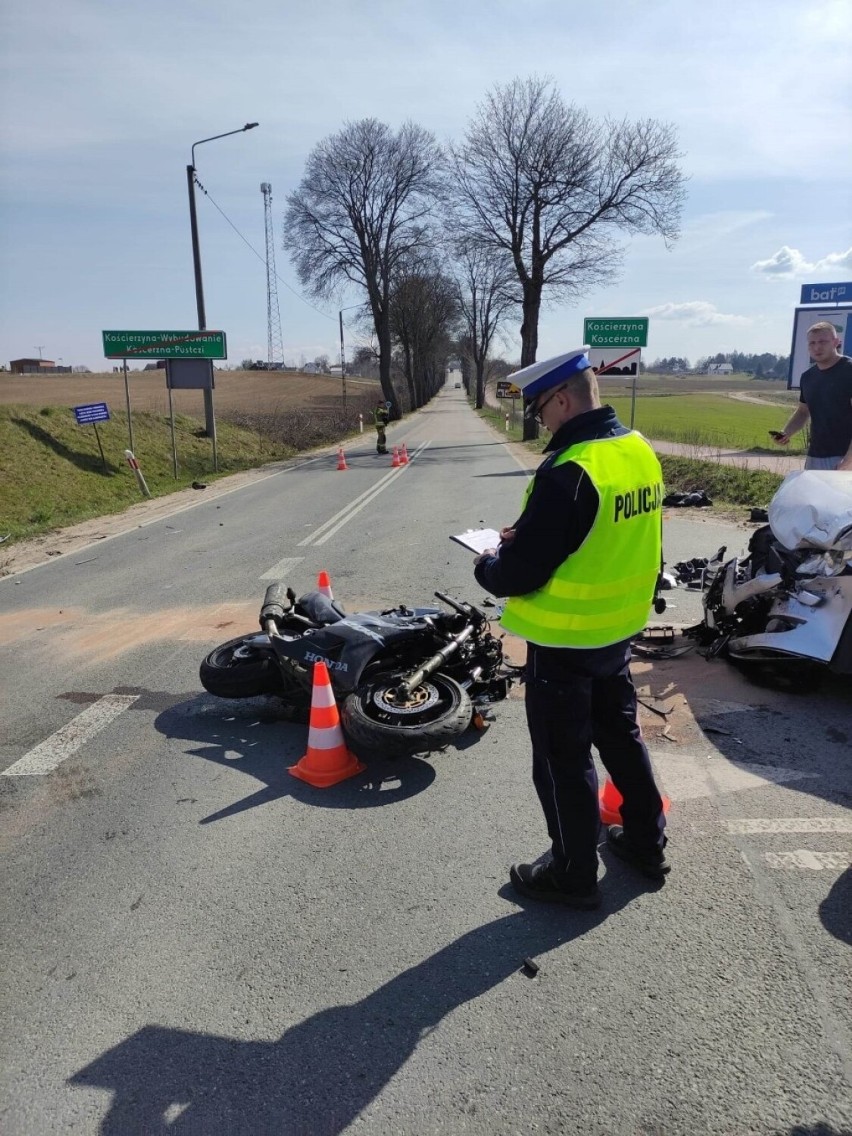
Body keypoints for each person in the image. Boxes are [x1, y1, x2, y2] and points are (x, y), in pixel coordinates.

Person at [473, 348, 669, 910]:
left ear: (563, 399)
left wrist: (489, 559)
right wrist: (529, 539)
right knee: (621, 738)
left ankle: (573, 872)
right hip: (617, 631)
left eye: (540, 409)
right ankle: (647, 842)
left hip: (565, 641)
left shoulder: (570, 470)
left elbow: (518, 572)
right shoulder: (637, 451)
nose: (540, 420)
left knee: (563, 760)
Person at [772, 321, 852, 471]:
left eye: (823, 341)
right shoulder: (808, 377)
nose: (817, 347)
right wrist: (786, 433)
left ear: (836, 342)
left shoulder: (849, 371)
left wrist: (849, 461)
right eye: (812, 343)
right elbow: (803, 411)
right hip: (815, 455)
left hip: (844, 457)